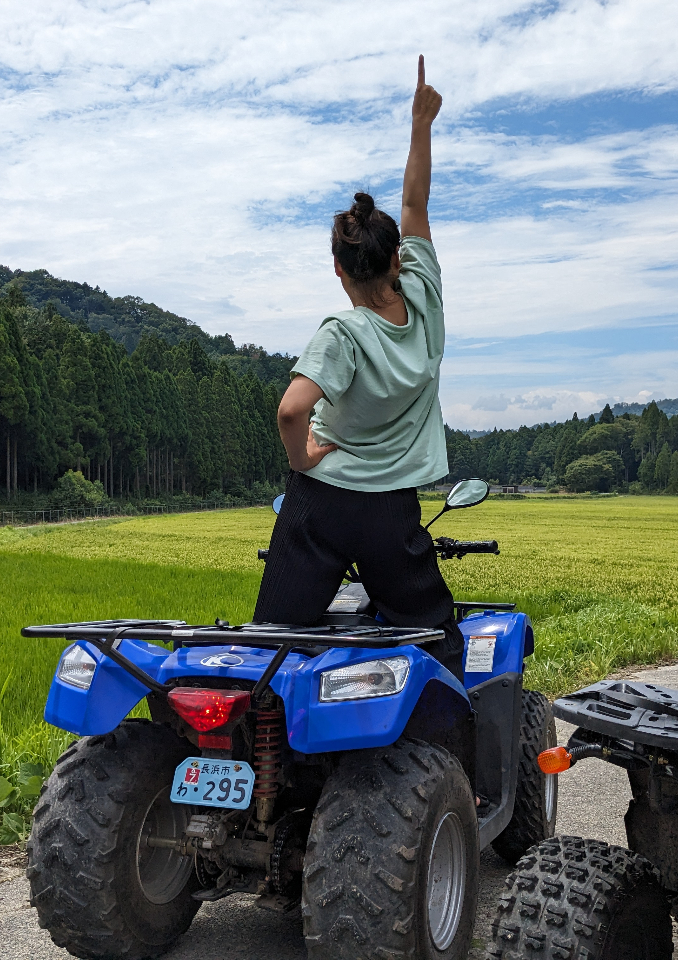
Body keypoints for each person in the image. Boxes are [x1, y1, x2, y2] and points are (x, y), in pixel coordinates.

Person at [254, 56, 465, 681]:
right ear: (398, 257)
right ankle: (459, 765)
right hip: (391, 511)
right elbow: (415, 201)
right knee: (433, 637)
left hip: (320, 502)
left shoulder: (342, 333)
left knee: (274, 644)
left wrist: (301, 458)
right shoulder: (425, 300)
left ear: (340, 270)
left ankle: (263, 768)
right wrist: (421, 122)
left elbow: (293, 409)